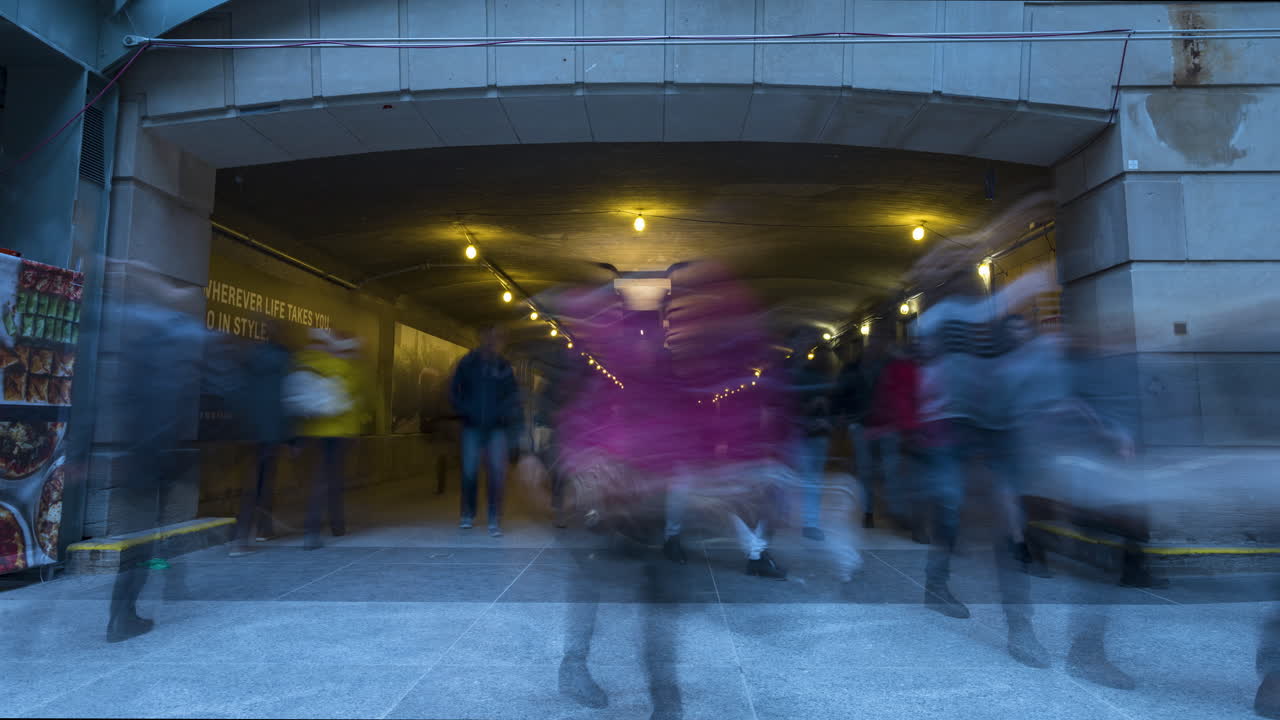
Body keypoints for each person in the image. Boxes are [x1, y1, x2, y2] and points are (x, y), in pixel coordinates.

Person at [105, 261, 213, 643]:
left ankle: (131, 608)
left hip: (139, 450)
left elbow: (122, 396)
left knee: (144, 533)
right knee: (158, 529)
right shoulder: (180, 337)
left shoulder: (137, 339)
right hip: (164, 450)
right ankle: (127, 614)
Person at [291, 328, 369, 550]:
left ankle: (317, 527)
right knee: (332, 480)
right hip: (338, 431)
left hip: (311, 431)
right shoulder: (341, 366)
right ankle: (331, 526)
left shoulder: (301, 361)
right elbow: (355, 393)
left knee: (317, 480)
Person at [449, 326, 523, 537]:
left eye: (498, 338)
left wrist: (505, 415)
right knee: (470, 472)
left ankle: (493, 517)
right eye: (490, 337)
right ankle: (468, 513)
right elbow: (455, 389)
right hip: (472, 425)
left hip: (497, 428)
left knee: (496, 473)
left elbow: (512, 395)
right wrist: (465, 410)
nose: (494, 342)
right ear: (482, 338)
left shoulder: (503, 366)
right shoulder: (468, 363)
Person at [228, 318, 294, 556]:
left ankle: (246, 534)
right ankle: (259, 531)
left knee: (253, 481)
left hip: (250, 428)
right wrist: (292, 438)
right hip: (272, 429)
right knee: (265, 480)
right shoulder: (284, 359)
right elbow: (288, 397)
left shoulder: (250, 356)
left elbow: (239, 390)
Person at [784, 329, 834, 541]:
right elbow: (781, 405)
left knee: (813, 478)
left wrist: (826, 414)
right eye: (800, 342)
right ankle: (783, 514)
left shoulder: (817, 371)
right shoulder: (784, 371)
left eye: (806, 343)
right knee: (790, 476)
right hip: (794, 431)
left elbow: (831, 397)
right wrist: (807, 408)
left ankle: (810, 523)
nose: (803, 347)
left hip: (817, 431)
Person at [832, 342, 875, 529]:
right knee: (864, 470)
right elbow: (840, 395)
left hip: (881, 425)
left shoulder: (883, 367)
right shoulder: (851, 371)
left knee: (871, 470)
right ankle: (867, 512)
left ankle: (869, 509)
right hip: (860, 424)